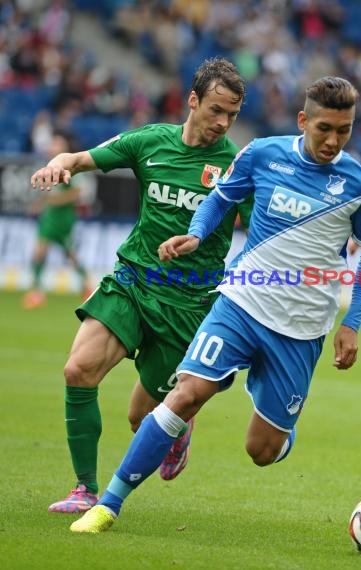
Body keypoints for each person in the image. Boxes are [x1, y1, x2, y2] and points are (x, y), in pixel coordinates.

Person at [69, 75, 361, 533]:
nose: (333, 140)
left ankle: (281, 425)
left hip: (301, 327)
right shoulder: (262, 154)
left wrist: (352, 322)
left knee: (261, 451)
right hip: (240, 303)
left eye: (345, 130)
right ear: (303, 121)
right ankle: (108, 505)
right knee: (185, 395)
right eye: (324, 129)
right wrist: (197, 233)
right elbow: (221, 199)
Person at [30, 57, 251, 513]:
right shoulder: (150, 141)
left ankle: (179, 425)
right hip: (132, 280)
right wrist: (60, 162)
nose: (223, 123)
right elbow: (81, 158)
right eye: (216, 110)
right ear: (193, 101)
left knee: (140, 419)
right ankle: (84, 490)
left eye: (232, 114)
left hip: (187, 305)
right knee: (79, 370)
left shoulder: (238, 166)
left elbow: (266, 229)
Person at [23, 131, 92, 309]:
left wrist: (55, 201)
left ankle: (87, 286)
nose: (52, 146)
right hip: (50, 216)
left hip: (64, 217)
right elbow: (49, 194)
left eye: (57, 143)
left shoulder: (69, 166)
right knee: (39, 251)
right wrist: (41, 204)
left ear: (64, 148)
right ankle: (37, 291)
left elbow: (78, 192)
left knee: (70, 255)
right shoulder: (46, 166)